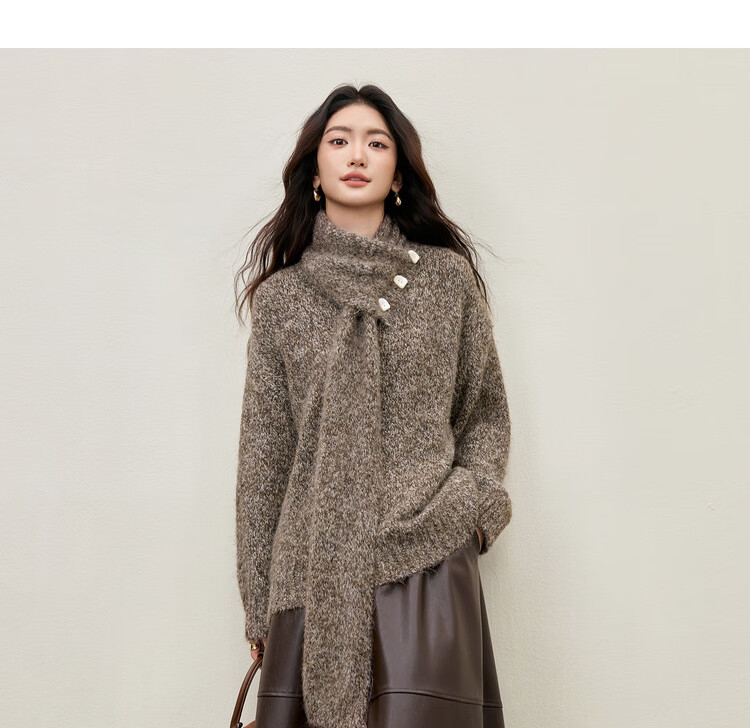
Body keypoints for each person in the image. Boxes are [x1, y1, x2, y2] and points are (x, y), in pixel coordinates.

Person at [233, 83, 512, 728]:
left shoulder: (447, 281)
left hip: (426, 562)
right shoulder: (281, 301)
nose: (357, 154)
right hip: (313, 573)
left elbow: (484, 411)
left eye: (376, 143)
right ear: (315, 171)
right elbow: (264, 459)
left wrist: (470, 512)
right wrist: (258, 598)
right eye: (339, 141)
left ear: (398, 174)